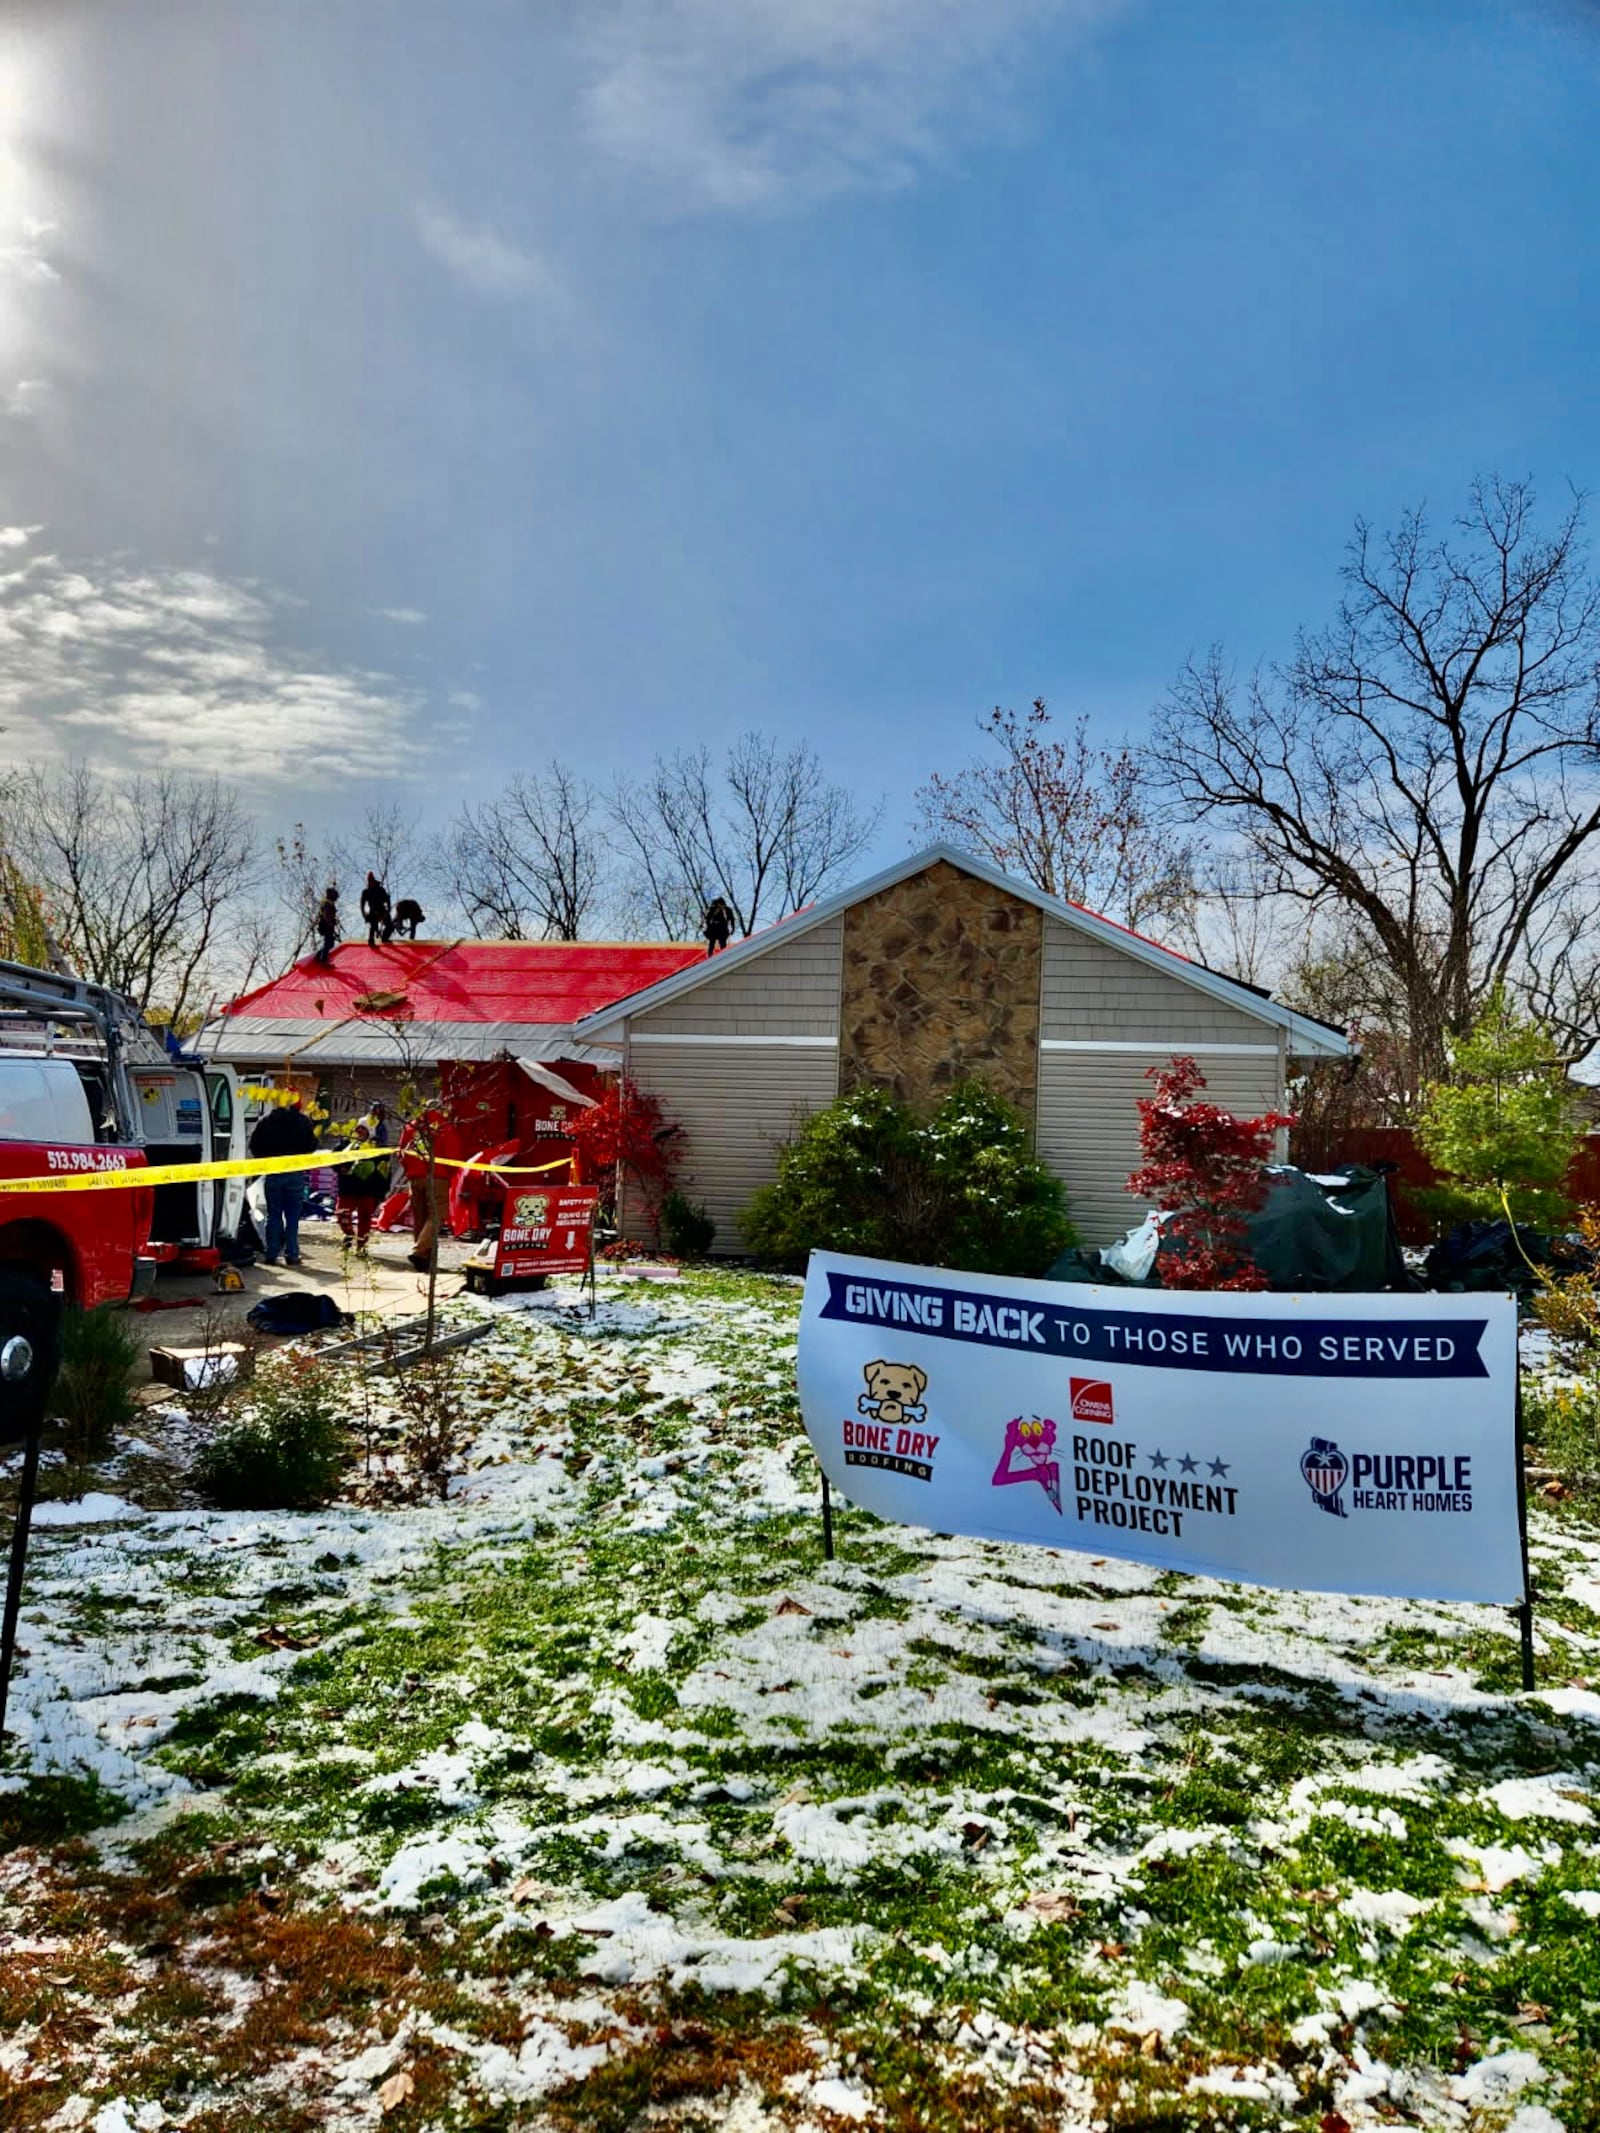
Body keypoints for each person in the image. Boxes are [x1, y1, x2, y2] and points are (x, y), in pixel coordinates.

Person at [248, 1096, 320, 1266]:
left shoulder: (266, 1122)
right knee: (293, 1217)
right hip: (295, 1173)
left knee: (273, 1215)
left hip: (273, 1172)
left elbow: (254, 1145)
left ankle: (271, 1253)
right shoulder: (304, 1122)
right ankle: (292, 1254)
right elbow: (312, 1145)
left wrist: (265, 1160)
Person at [335, 1121, 389, 1255]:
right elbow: (334, 1159)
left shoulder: (377, 1148)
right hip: (348, 1189)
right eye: (358, 1129)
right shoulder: (345, 1145)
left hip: (367, 1190)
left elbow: (384, 1170)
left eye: (363, 1129)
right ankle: (348, 1234)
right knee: (342, 1215)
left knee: (365, 1219)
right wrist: (340, 1168)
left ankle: (361, 1245)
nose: (359, 1132)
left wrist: (381, 1191)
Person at [360, 871, 392, 948]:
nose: (370, 882)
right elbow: (362, 904)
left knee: (390, 926)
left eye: (371, 880)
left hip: (382, 910)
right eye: (369, 881)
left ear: (374, 880)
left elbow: (387, 900)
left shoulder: (380, 890)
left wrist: (388, 910)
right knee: (373, 925)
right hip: (373, 912)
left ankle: (384, 938)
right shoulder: (366, 892)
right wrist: (364, 914)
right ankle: (371, 941)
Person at [314, 884, 339, 965]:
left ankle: (319, 955)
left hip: (327, 926)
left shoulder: (330, 904)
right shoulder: (327, 905)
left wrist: (333, 921)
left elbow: (330, 916)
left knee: (330, 943)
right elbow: (326, 916)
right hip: (326, 926)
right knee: (328, 943)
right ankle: (323, 960)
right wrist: (331, 924)